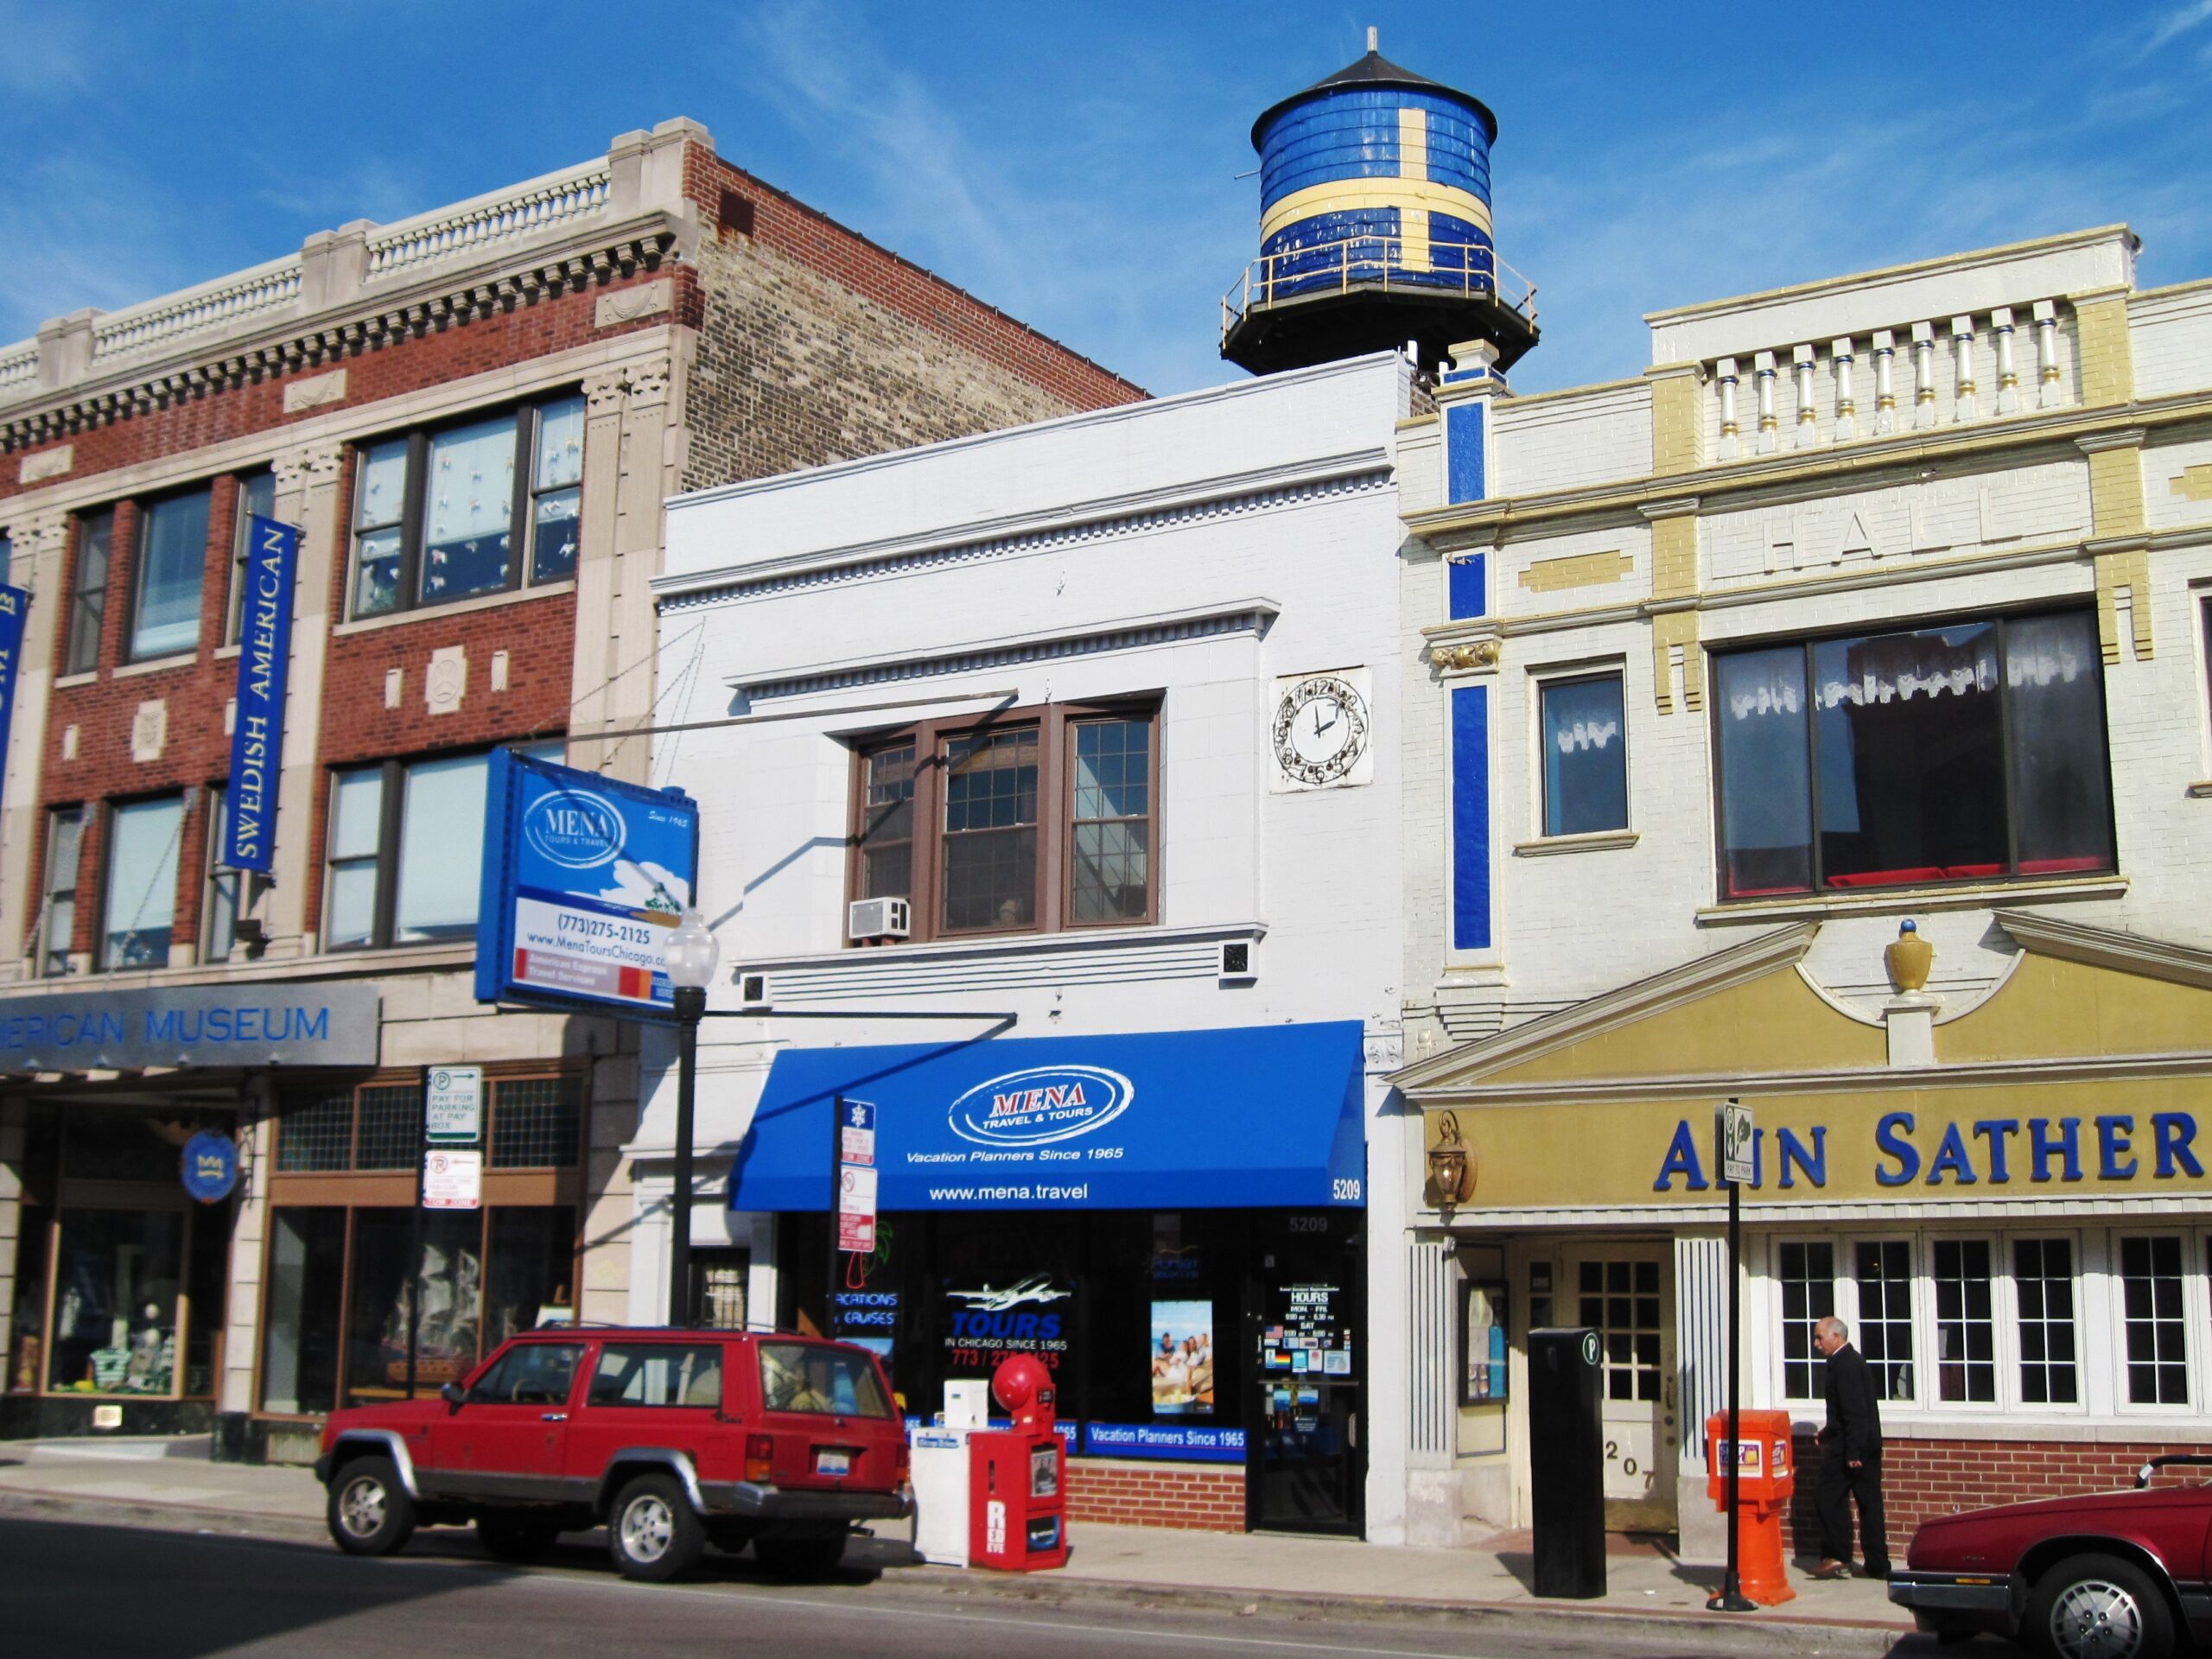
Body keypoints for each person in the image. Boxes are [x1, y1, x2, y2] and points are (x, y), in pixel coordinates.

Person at [1811, 1315, 1890, 1580]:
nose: (1816, 1343)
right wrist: (1828, 1431)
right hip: (1863, 1442)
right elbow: (1849, 1410)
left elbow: (1855, 1411)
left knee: (1827, 1497)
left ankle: (1836, 1556)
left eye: (1820, 1337)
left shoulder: (1845, 1365)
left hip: (1851, 1446)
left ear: (1837, 1336)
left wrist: (1853, 1452)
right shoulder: (1849, 1362)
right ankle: (1877, 1562)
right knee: (1869, 1503)